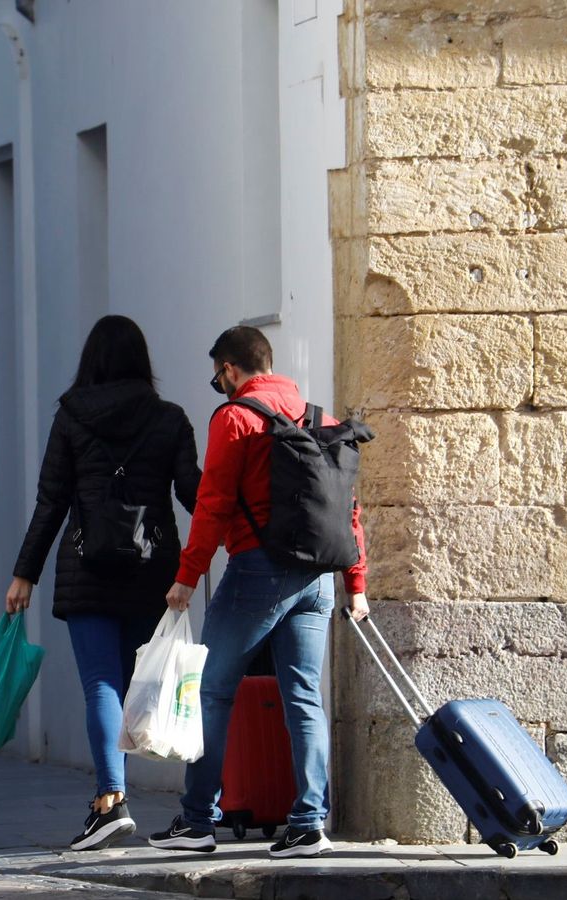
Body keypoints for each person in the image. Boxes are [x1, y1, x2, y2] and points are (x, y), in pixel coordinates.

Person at [147, 325, 368, 860]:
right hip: (317, 578)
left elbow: (214, 502)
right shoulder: (321, 418)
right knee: (304, 698)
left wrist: (188, 574)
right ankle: (310, 822)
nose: (217, 383)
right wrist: (355, 583)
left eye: (217, 374)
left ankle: (198, 819)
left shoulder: (236, 418)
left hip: (258, 572)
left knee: (212, 691)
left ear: (229, 369)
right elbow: (347, 508)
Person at [7, 315, 201, 852]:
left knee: (102, 683)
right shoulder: (170, 419)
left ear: (90, 360)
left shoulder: (71, 418)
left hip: (86, 565)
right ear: (142, 361)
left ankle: (110, 800)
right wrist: (235, 535)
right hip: (153, 568)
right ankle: (193, 805)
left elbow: (51, 501)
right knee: (151, 680)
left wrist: (26, 572)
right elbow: (194, 494)